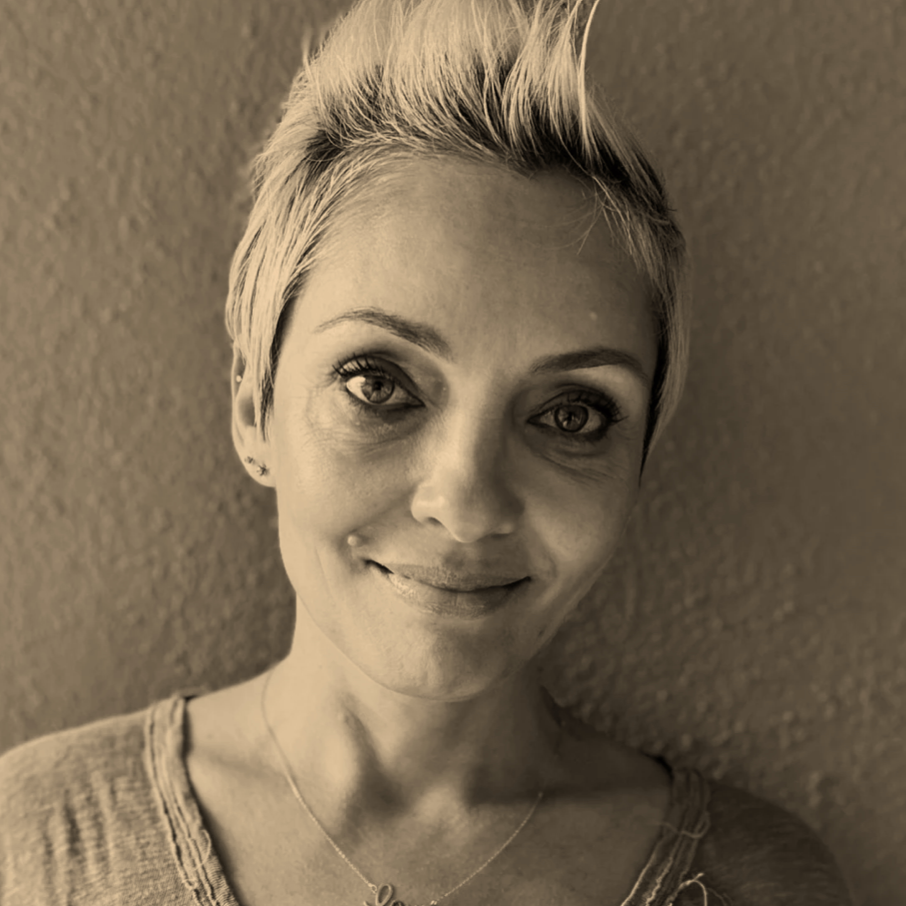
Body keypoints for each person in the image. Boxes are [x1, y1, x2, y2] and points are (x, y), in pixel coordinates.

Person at [0, 1, 853, 904]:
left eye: (572, 414)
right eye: (377, 383)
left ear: (639, 462)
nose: (467, 501)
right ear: (255, 408)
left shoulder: (763, 881)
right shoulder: (34, 851)